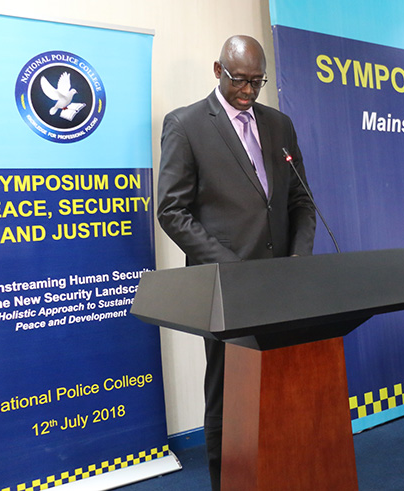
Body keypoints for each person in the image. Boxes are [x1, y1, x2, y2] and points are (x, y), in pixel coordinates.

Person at [157, 35, 317, 490]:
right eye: (239, 80)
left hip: (284, 283)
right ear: (216, 70)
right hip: (226, 286)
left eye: (257, 82)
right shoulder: (186, 124)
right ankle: (227, 482)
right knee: (230, 396)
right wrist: (233, 267)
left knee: (284, 387)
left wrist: (297, 260)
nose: (248, 91)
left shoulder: (280, 125)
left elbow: (301, 200)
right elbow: (172, 210)